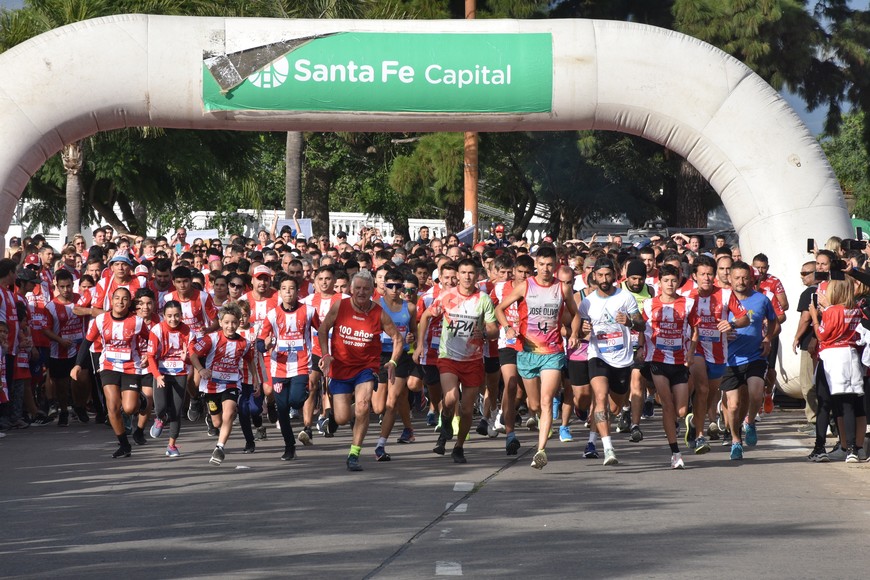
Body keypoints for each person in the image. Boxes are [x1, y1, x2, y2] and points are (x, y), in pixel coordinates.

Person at [495, 246, 580, 470]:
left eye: (549, 265)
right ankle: (543, 421)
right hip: (527, 352)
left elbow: (575, 314)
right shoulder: (526, 286)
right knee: (534, 404)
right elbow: (499, 309)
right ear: (536, 265)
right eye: (541, 264)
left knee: (546, 399)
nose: (545, 269)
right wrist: (507, 328)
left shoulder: (562, 288)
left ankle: (541, 450)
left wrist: (574, 333)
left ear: (556, 265)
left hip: (552, 352)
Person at [318, 271, 403, 471]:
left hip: (366, 368)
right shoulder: (341, 306)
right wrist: (325, 355)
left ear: (372, 290)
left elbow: (397, 338)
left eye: (366, 289)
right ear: (351, 290)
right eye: (358, 288)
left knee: (363, 406)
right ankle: (335, 415)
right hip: (340, 367)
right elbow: (323, 330)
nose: (361, 292)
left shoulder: (378, 313)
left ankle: (354, 454)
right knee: (341, 418)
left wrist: (392, 362)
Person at [417, 259, 499, 464]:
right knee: (451, 398)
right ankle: (445, 420)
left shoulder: (483, 299)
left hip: (472, 360)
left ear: (477, 274)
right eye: (463, 272)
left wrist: (486, 333)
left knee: (466, 408)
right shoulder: (447, 296)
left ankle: (459, 446)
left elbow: (494, 329)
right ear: (458, 275)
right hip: (449, 357)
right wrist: (419, 345)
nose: (467, 277)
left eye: (471, 273)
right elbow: (426, 316)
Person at [578, 258, 645, 466]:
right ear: (594, 277)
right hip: (598, 355)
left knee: (613, 408)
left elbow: (642, 324)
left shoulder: (625, 297)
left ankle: (593, 439)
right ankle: (608, 448)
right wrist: (583, 331)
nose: (604, 279)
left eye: (608, 275)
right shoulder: (587, 301)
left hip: (622, 359)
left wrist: (630, 322)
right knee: (600, 397)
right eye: (600, 275)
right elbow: (579, 328)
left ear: (615, 275)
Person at [71, 287, 150, 458]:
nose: (120, 302)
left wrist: (150, 357)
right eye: (117, 298)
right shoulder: (100, 320)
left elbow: (151, 340)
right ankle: (124, 444)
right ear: (111, 301)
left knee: (128, 408)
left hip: (131, 366)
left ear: (129, 303)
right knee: (113, 407)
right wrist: (77, 365)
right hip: (108, 366)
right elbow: (87, 342)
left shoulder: (136, 321)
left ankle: (140, 399)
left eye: (124, 299)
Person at [719, 261, 779, 460]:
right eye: (737, 277)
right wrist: (722, 336)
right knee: (734, 405)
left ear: (751, 278)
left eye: (745, 277)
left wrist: (768, 338)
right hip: (729, 359)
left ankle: (750, 422)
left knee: (755, 394)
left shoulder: (761, 299)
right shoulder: (722, 301)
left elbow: (773, 320)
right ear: (729, 278)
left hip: (755, 355)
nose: (741, 281)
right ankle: (736, 441)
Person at [642, 264, 697, 469]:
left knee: (680, 411)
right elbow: (642, 327)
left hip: (680, 360)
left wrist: (691, 353)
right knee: (667, 404)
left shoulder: (688, 303)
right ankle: (675, 453)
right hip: (657, 359)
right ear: (660, 283)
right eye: (666, 281)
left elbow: (695, 330)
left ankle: (679, 421)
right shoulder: (649, 304)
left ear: (678, 281)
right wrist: (640, 346)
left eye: (674, 280)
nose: (670, 284)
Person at [257, 276, 318, 460]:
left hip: (301, 365)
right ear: (280, 292)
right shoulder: (272, 315)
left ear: (297, 291)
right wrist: (265, 345)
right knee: (282, 410)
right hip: (279, 368)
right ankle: (289, 446)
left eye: (291, 288)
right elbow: (260, 342)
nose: (288, 292)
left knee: (296, 401)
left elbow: (321, 330)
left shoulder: (308, 311)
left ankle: (304, 394)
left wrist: (323, 354)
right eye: (284, 289)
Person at [190, 303, 256, 466]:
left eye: (234, 322)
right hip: (211, 385)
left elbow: (250, 361)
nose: (230, 326)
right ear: (220, 323)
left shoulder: (244, 343)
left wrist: (256, 380)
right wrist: (201, 369)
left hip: (231, 383)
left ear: (239, 322)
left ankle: (220, 447)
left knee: (230, 413)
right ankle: (211, 419)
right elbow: (193, 355)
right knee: (217, 422)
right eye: (226, 322)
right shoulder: (211, 339)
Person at [809, 278, 864, 462]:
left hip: (831, 357)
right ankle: (852, 449)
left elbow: (822, 334)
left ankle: (820, 447)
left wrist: (816, 316)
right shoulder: (856, 309)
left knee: (824, 403)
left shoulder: (833, 311)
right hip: (852, 356)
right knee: (848, 403)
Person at [371, 269, 416, 461]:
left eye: (398, 286)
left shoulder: (410, 308)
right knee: (379, 407)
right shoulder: (375, 306)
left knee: (392, 400)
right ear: (383, 286)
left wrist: (413, 340)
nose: (394, 289)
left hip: (400, 356)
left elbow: (414, 333)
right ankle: (408, 429)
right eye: (390, 285)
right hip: (380, 355)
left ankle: (380, 445)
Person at [146, 300, 192, 457]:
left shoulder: (187, 331)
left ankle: (171, 445)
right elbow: (150, 356)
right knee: (160, 406)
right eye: (170, 316)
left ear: (181, 315)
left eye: (177, 315)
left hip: (180, 374)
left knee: (176, 410)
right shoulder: (157, 330)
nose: (173, 319)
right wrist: (157, 376)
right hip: (162, 373)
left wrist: (187, 358)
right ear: (163, 315)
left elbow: (193, 355)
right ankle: (159, 418)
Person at [792, 261, 818, 436]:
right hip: (822, 341)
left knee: (808, 383)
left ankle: (814, 420)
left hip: (810, 343)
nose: (802, 276)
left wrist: (796, 337)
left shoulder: (809, 292)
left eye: (805, 273)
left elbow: (805, 318)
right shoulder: (826, 289)